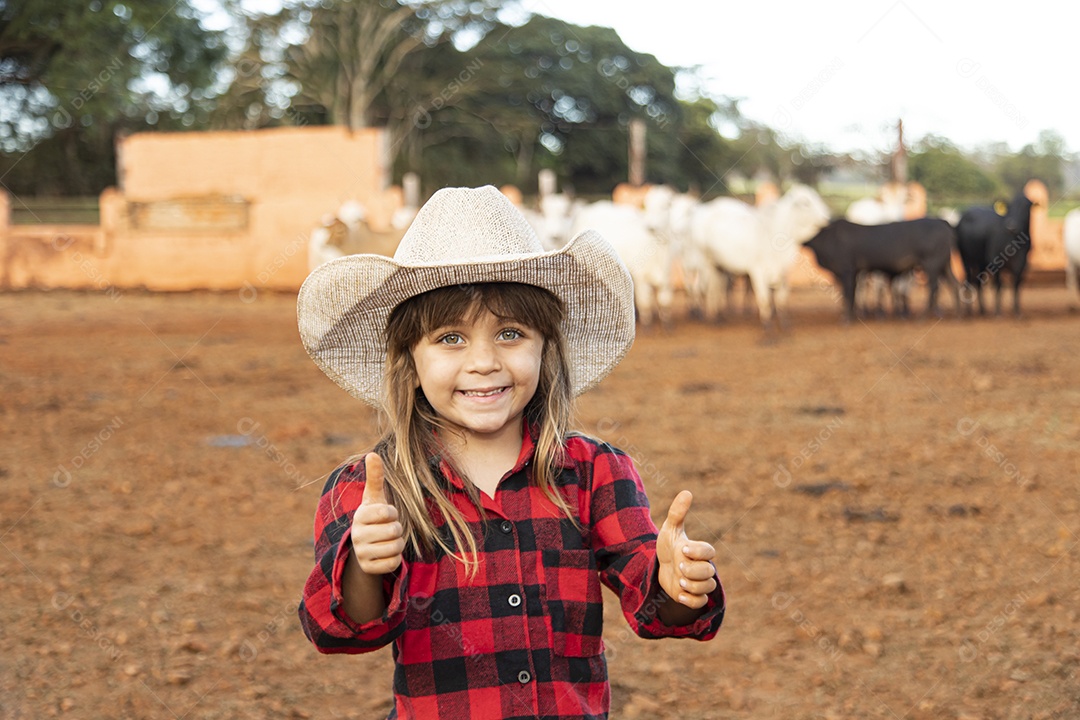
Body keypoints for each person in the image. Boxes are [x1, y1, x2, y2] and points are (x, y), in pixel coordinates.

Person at [296, 185, 725, 719]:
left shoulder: (593, 473)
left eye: (510, 333)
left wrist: (677, 583)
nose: (483, 362)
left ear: (546, 349)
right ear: (409, 359)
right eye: (450, 338)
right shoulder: (372, 489)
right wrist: (364, 563)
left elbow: (656, 600)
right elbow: (337, 628)